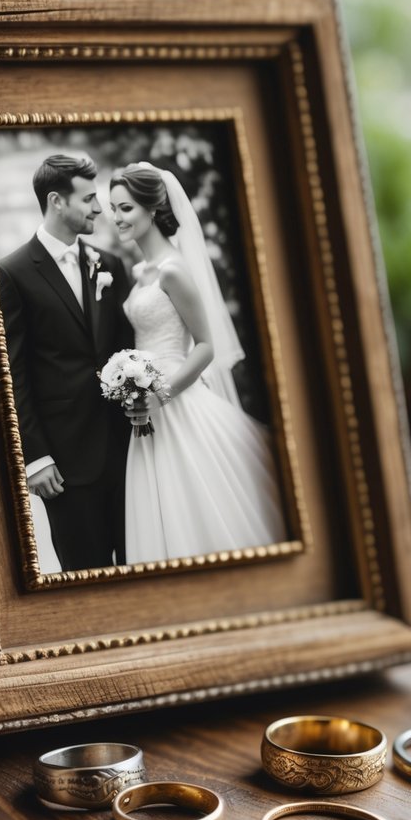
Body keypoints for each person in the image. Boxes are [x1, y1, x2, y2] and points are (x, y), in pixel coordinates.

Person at [108, 162, 286, 564]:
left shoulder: (173, 270)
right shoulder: (141, 272)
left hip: (175, 400)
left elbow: (205, 346)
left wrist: (161, 395)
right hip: (145, 406)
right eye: (113, 208)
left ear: (151, 210)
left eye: (125, 208)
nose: (116, 217)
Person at [0, 153, 133, 571]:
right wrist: (34, 457)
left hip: (129, 452)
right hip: (66, 463)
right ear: (57, 201)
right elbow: (11, 374)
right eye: (89, 198)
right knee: (86, 573)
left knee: (139, 564)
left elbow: (128, 350)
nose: (99, 208)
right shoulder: (12, 273)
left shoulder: (108, 265)